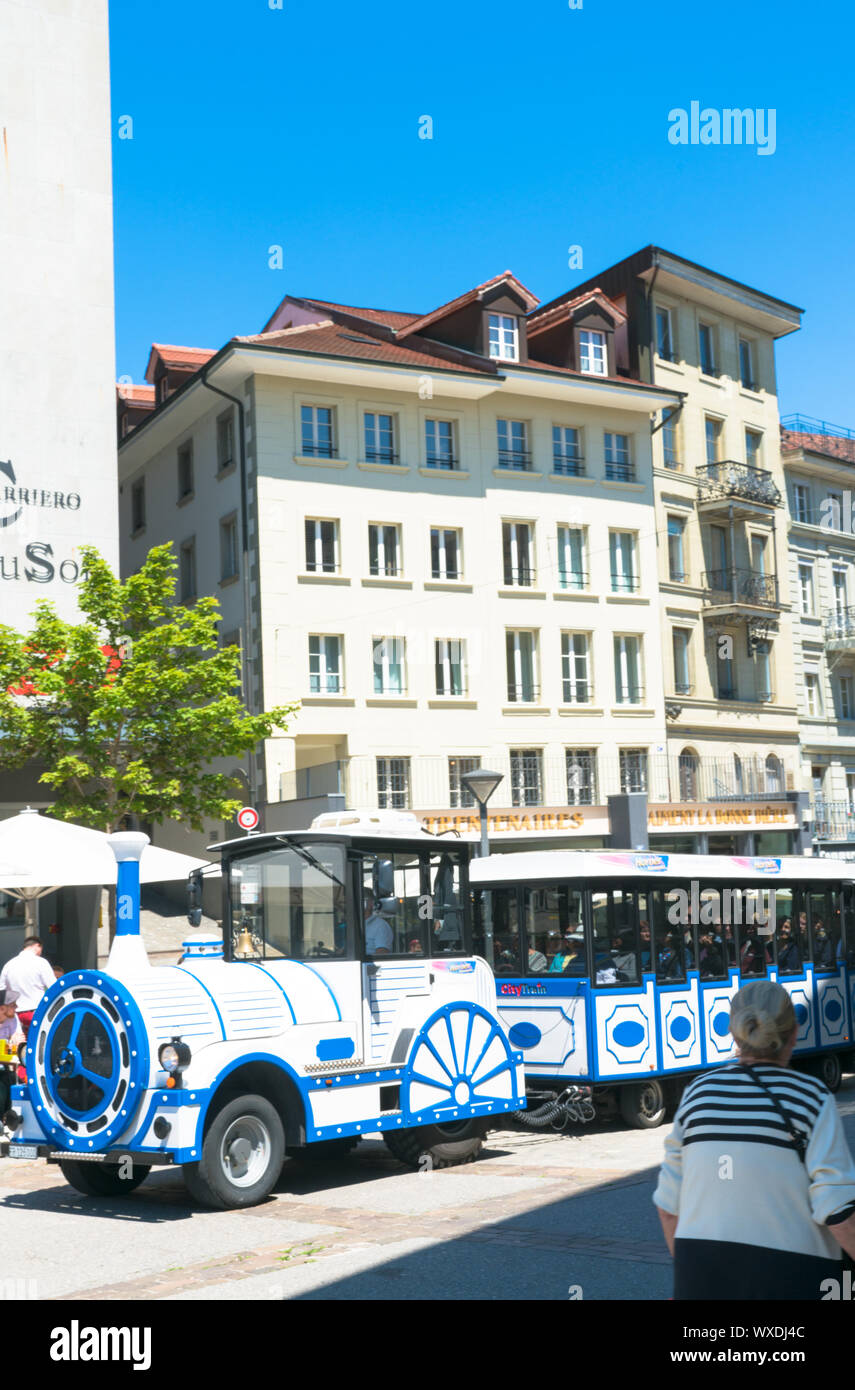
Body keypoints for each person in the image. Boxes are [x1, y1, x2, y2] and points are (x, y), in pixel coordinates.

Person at [654, 979, 855, 1300]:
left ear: (735, 1035)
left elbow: (668, 1208)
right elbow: (838, 1212)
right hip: (795, 1282)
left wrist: (697, 1279)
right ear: (795, 1032)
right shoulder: (811, 1099)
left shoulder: (697, 1095)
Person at [0, 937, 56, 1040]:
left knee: (18, 1046)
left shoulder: (8, 965)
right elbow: (54, 988)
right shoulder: (41, 962)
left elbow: (1, 990)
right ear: (37, 946)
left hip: (14, 1015)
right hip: (36, 1013)